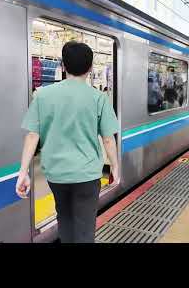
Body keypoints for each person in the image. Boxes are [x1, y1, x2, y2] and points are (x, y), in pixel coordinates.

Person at [15, 41, 120, 243]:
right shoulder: (98, 98)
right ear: (90, 68)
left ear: (63, 66)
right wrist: (115, 167)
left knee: (64, 221)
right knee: (85, 229)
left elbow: (32, 135)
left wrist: (23, 172)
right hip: (87, 175)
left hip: (57, 174)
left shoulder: (43, 95)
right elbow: (108, 138)